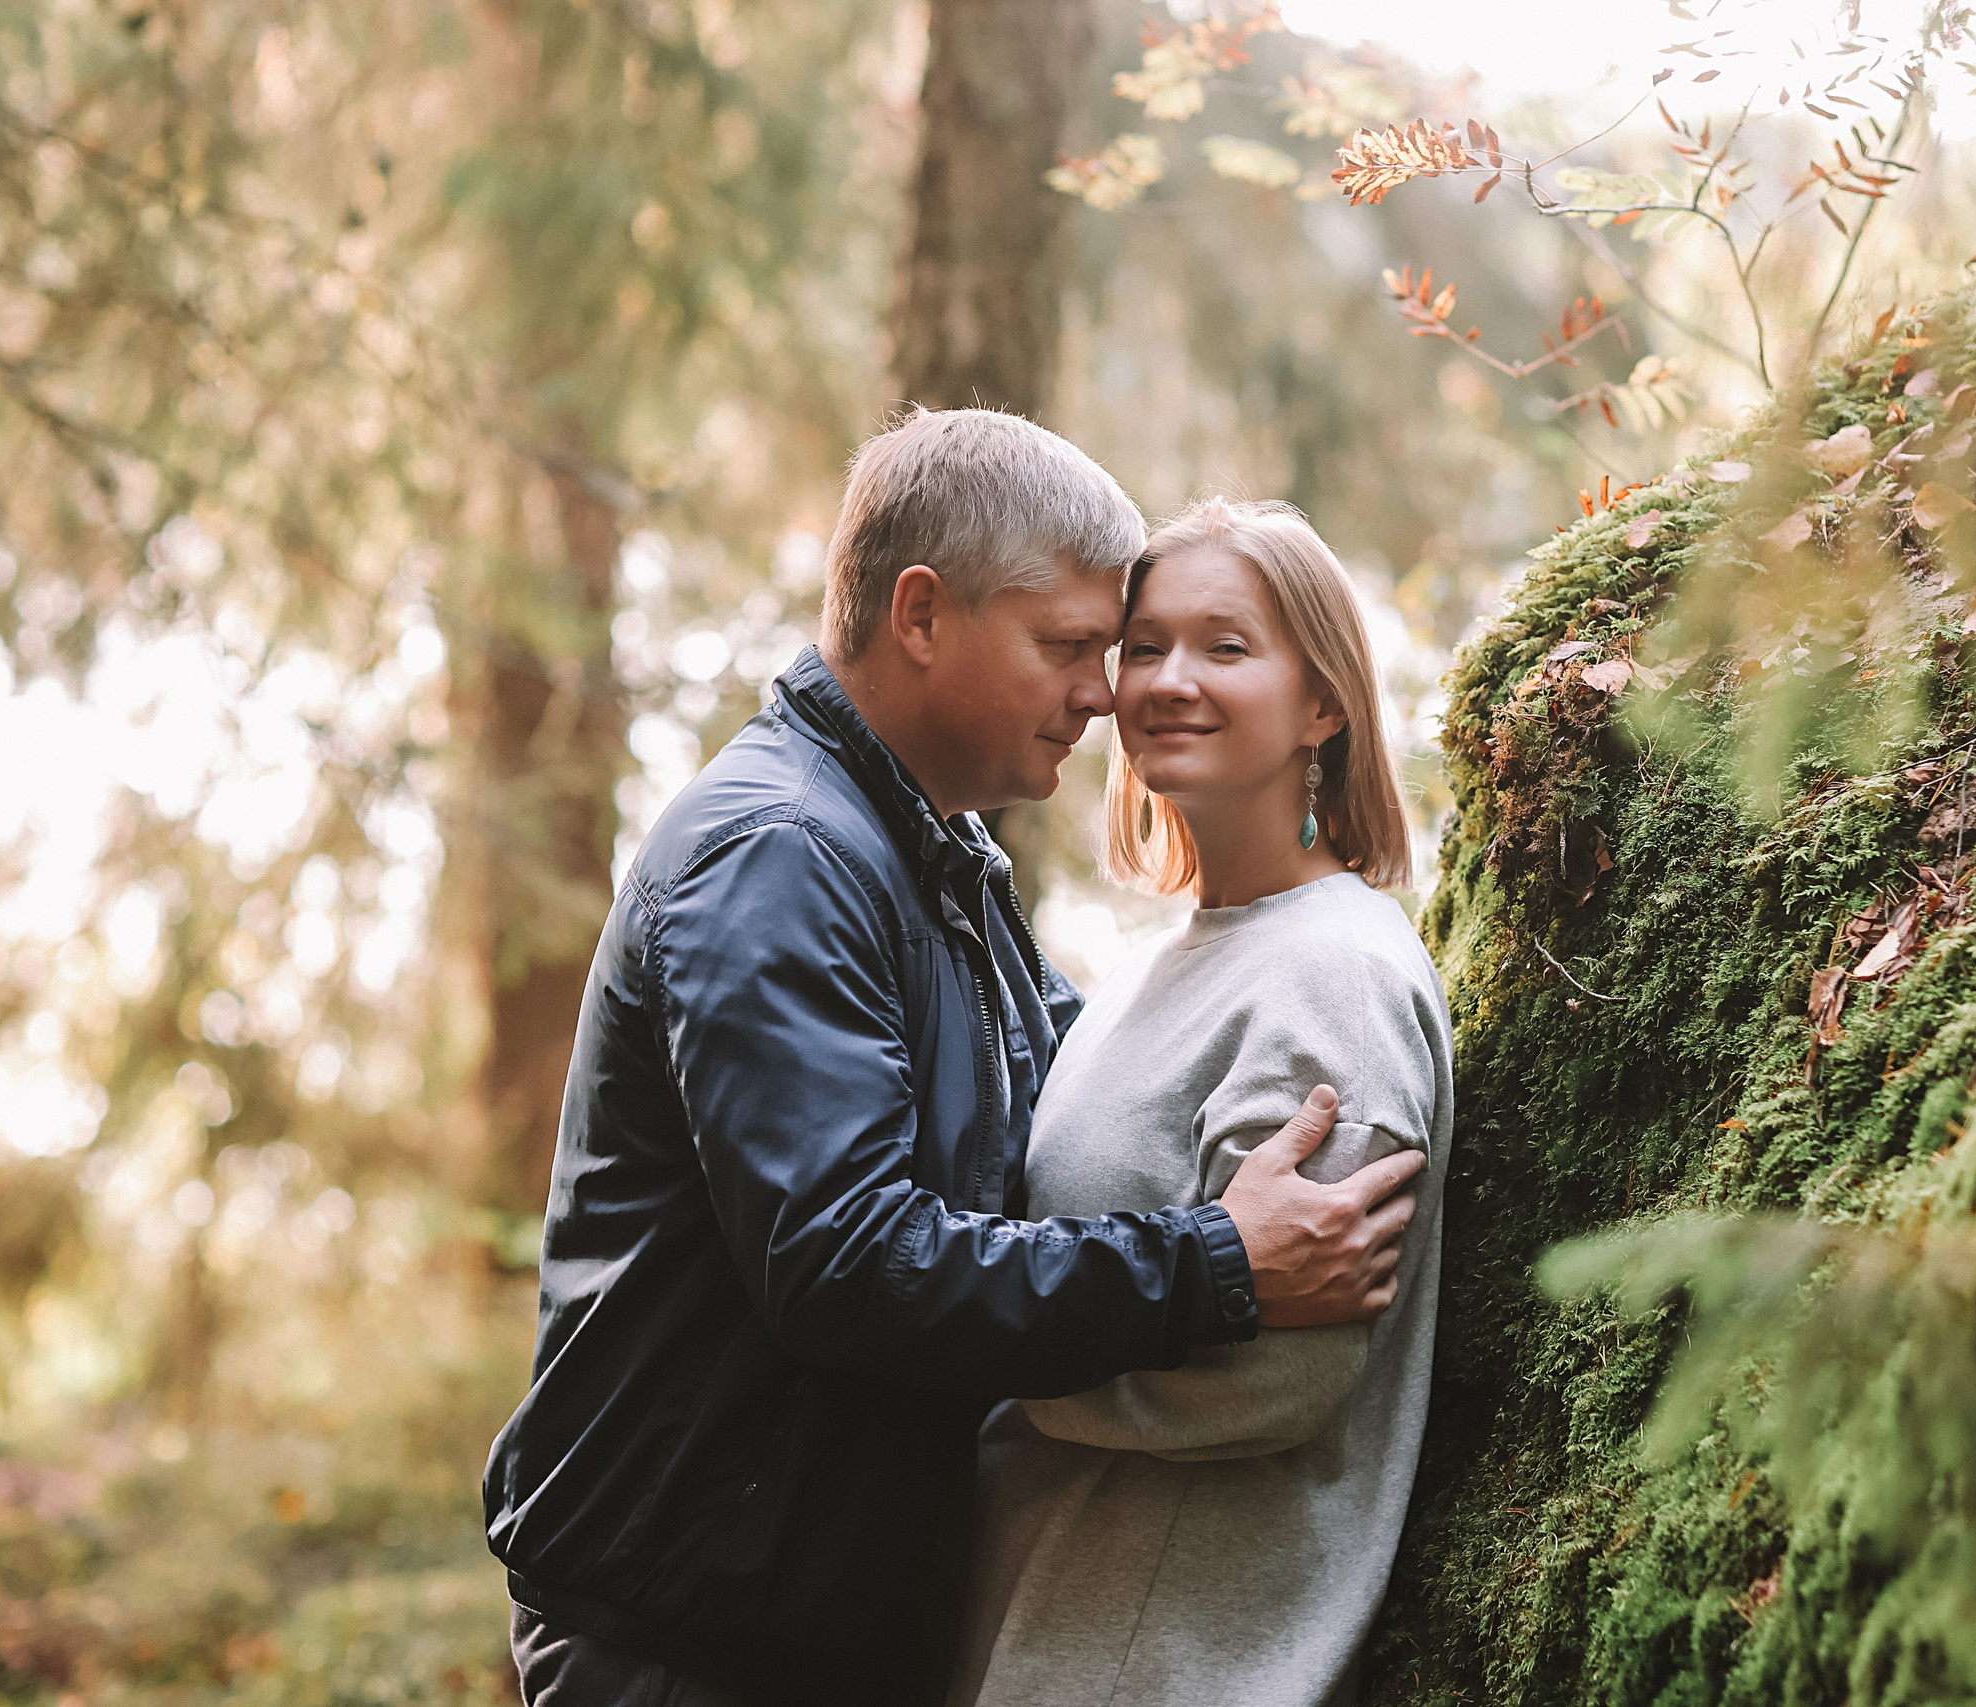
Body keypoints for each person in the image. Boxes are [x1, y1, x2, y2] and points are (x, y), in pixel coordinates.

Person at [481, 412, 1426, 1707]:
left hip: (804, 1633)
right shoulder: (784, 850)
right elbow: (851, 1262)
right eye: (1074, 645)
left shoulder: (937, 860)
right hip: (687, 1647)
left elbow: (1086, 1102)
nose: (1107, 693)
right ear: (921, 614)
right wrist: (1215, 1261)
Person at [951, 498, 1453, 1707]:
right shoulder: (1156, 968)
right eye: (1143, 646)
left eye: (1225, 647)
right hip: (1046, 1628)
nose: (1167, 680)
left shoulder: (1334, 972)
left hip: (1180, 1659)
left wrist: (958, 1358)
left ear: (1322, 703)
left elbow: (1280, 1379)